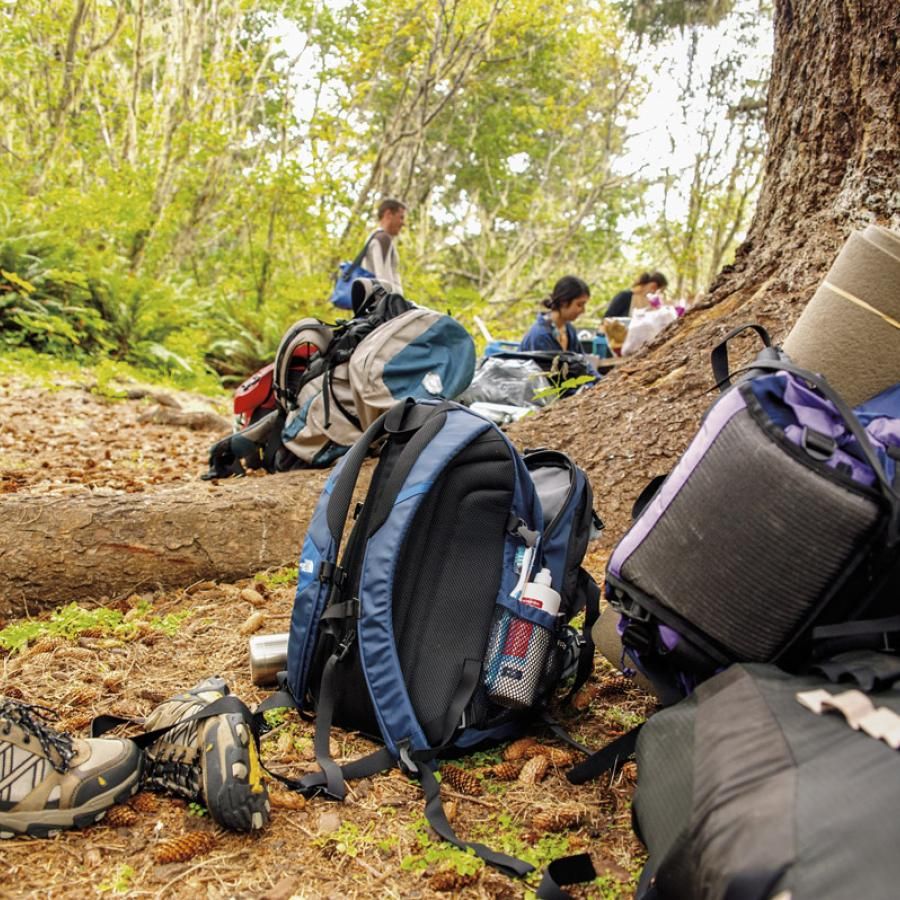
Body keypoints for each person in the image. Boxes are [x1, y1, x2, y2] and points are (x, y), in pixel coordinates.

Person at [520, 275, 591, 353]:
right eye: (579, 305)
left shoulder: (569, 331)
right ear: (563, 302)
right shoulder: (541, 335)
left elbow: (583, 362)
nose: (583, 311)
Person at [362, 198, 407, 292]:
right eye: (401, 217)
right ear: (388, 214)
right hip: (384, 304)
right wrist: (393, 303)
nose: (403, 223)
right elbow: (384, 281)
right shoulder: (383, 239)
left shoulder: (373, 237)